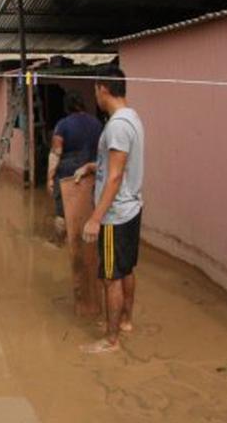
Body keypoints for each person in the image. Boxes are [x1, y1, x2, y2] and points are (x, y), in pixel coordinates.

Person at [75, 66, 144, 354]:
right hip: (132, 208)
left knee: (110, 276)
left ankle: (111, 339)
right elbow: (118, 165)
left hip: (114, 215)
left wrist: (95, 217)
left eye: (95, 90)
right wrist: (93, 166)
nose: (95, 96)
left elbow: (115, 177)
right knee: (126, 269)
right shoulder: (132, 118)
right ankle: (126, 321)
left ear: (103, 89)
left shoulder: (116, 125)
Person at [47, 92, 102, 236]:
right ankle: (86, 243)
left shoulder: (63, 125)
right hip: (90, 173)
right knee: (87, 209)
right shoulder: (97, 124)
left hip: (67, 175)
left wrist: (50, 178)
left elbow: (56, 153)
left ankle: (59, 244)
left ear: (67, 107)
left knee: (62, 212)